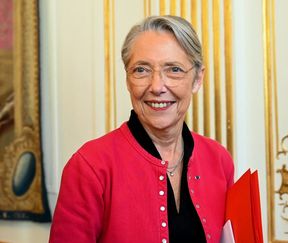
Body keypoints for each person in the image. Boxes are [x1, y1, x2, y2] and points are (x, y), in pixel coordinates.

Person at [49, 15, 234, 243]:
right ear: (127, 80)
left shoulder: (218, 160)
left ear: (197, 78)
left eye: (174, 69)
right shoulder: (90, 166)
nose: (157, 86)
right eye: (141, 70)